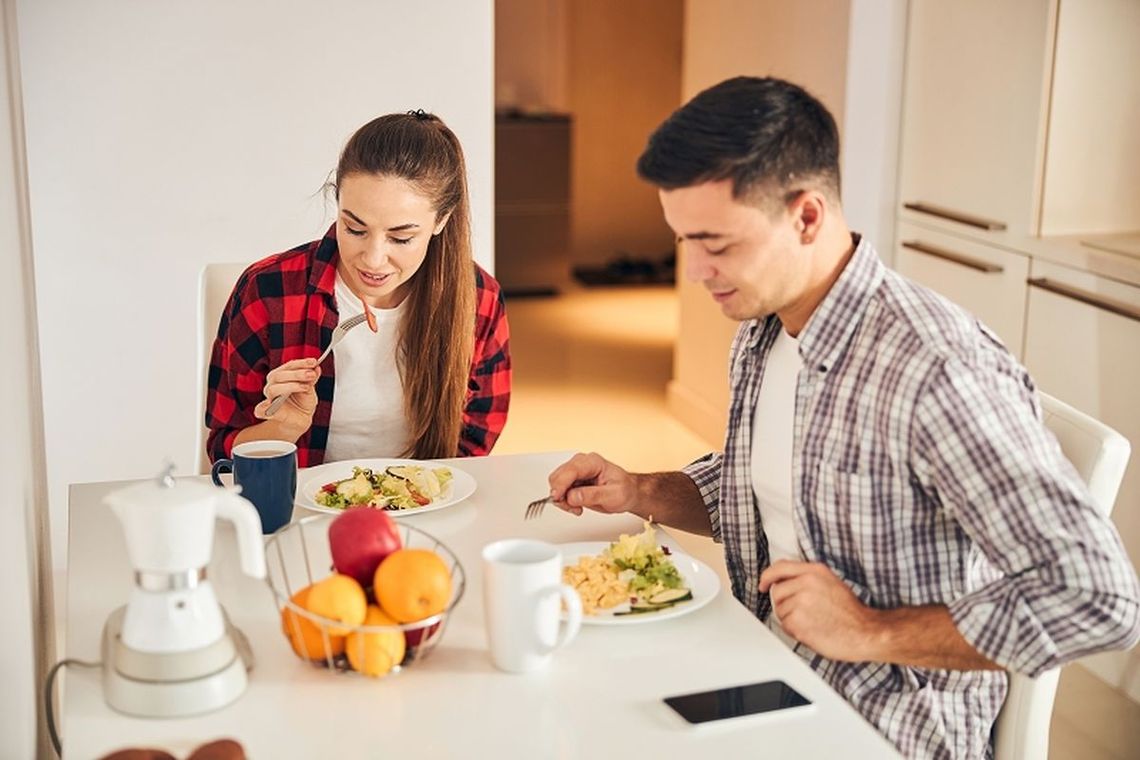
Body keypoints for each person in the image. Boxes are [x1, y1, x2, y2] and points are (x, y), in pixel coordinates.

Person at [546, 77, 1139, 759]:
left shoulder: (935, 369)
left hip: (883, 724)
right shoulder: (765, 329)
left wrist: (870, 629)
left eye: (716, 242)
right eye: (684, 240)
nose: (695, 271)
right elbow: (766, 491)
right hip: (764, 664)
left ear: (806, 217)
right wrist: (640, 490)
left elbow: (1100, 599)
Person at [206, 111, 510, 467]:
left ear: (441, 220)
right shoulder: (267, 291)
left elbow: (472, 453)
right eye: (354, 229)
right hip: (301, 514)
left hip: (424, 512)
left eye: (401, 237)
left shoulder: (480, 300)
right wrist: (282, 427)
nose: (374, 259)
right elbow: (222, 453)